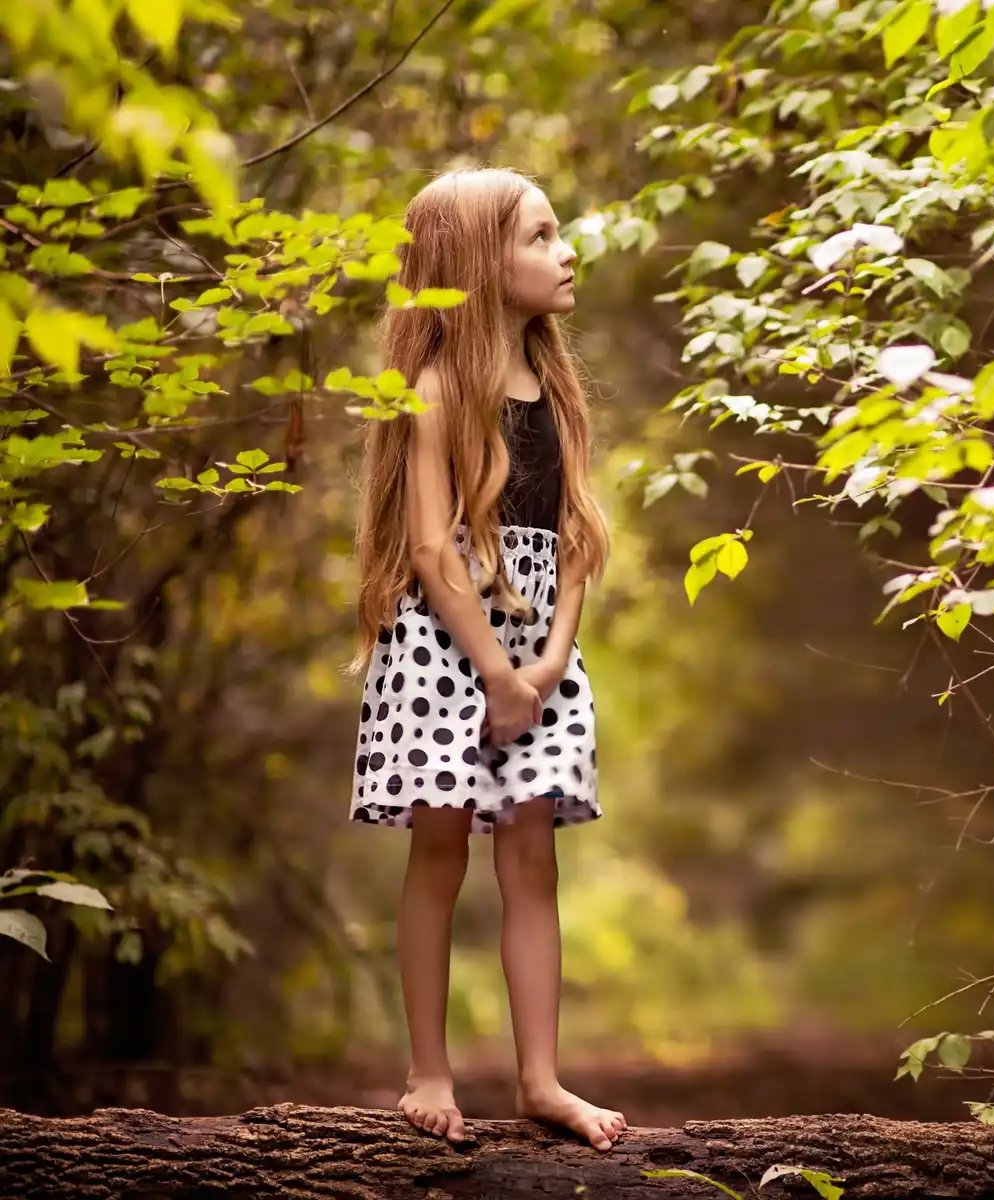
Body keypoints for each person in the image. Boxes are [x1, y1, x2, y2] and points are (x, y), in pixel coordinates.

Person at [345, 167, 625, 1152]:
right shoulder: (436, 387)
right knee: (439, 850)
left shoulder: (553, 386)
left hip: (538, 654)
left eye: (559, 234)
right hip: (447, 649)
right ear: (478, 263)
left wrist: (547, 664)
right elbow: (430, 549)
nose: (566, 252)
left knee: (531, 860)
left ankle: (540, 1080)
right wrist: (495, 672)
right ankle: (428, 1071)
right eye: (543, 238)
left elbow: (576, 536)